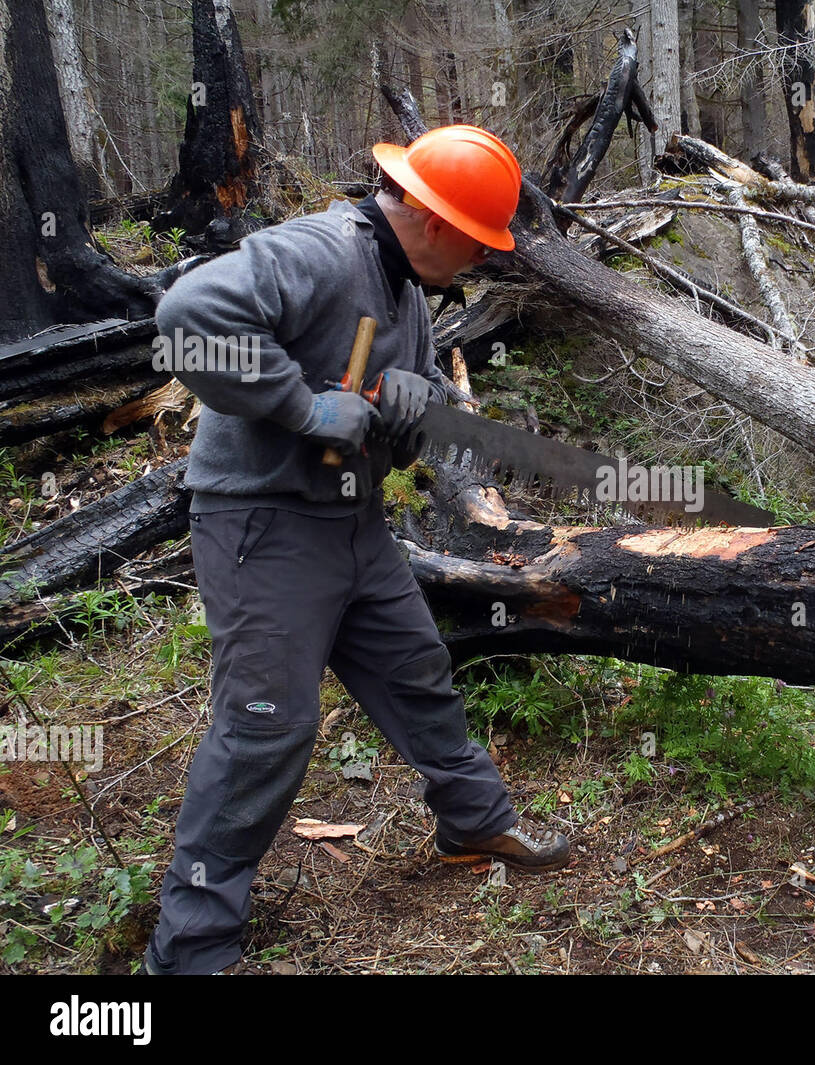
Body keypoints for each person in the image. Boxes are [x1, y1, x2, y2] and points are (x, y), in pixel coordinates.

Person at [144, 125, 568, 976]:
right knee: (266, 731)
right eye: (479, 246)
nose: (482, 264)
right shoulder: (321, 251)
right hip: (264, 528)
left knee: (416, 670)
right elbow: (184, 325)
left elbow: (377, 423)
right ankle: (188, 950)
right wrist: (300, 407)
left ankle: (472, 819)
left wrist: (406, 413)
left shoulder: (407, 289)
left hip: (353, 525)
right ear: (437, 220)